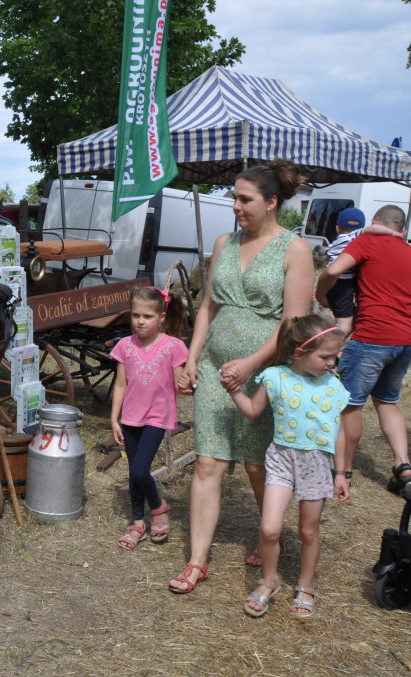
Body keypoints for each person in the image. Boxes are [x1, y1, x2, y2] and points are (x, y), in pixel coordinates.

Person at [168, 159, 315, 594]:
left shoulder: (295, 250)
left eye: (243, 199)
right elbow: (208, 308)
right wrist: (193, 359)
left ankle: (270, 533)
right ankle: (197, 560)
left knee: (256, 465)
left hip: (264, 374)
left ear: (271, 203)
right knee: (209, 462)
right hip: (215, 369)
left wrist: (251, 364)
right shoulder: (224, 242)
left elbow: (292, 324)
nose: (234, 206)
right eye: (233, 197)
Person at [222, 315, 349, 618]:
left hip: (317, 465)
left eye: (335, 356)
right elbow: (253, 410)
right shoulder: (275, 377)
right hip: (281, 460)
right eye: (325, 356)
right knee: (268, 528)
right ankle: (269, 580)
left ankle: (305, 586)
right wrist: (234, 391)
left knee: (308, 530)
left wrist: (341, 473)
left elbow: (339, 431)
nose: (333, 362)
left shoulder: (333, 384)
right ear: (299, 353)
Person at [315, 204, 411, 493]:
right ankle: (403, 465)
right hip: (404, 341)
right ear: (402, 230)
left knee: (350, 404)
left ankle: (343, 470)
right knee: (387, 401)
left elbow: (333, 269)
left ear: (375, 222)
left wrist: (321, 295)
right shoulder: (408, 251)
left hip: (371, 336)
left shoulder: (367, 241)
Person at [110, 287, 189, 548]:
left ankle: (158, 507)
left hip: (157, 416)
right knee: (134, 471)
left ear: (161, 317)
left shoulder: (174, 347)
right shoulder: (124, 346)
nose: (140, 321)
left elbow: (181, 379)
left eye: (147, 316)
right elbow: (120, 385)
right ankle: (137, 523)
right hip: (131, 418)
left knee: (141, 469)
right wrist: (114, 418)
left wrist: (185, 382)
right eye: (135, 315)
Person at [322, 207, 366, 336]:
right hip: (342, 283)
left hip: (336, 285)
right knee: (344, 327)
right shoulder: (356, 240)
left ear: (337, 228)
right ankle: (329, 348)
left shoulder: (337, 241)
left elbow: (327, 262)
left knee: (346, 318)